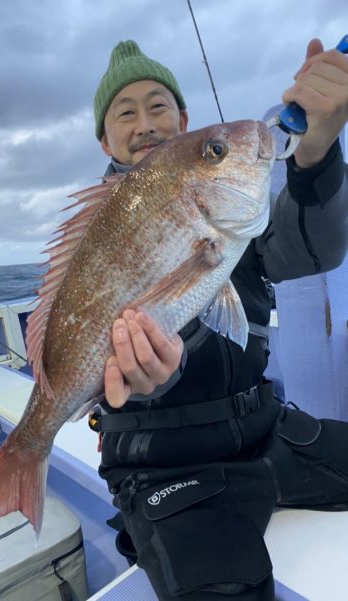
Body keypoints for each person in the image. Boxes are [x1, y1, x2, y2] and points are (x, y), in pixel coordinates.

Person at [89, 39, 348, 600]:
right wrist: (140, 384)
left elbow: (310, 250)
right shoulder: (95, 238)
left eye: (158, 106)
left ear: (182, 119)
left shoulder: (228, 210)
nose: (144, 122)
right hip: (163, 467)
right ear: (105, 139)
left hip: (265, 432)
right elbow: (100, 358)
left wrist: (317, 153)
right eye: (125, 112)